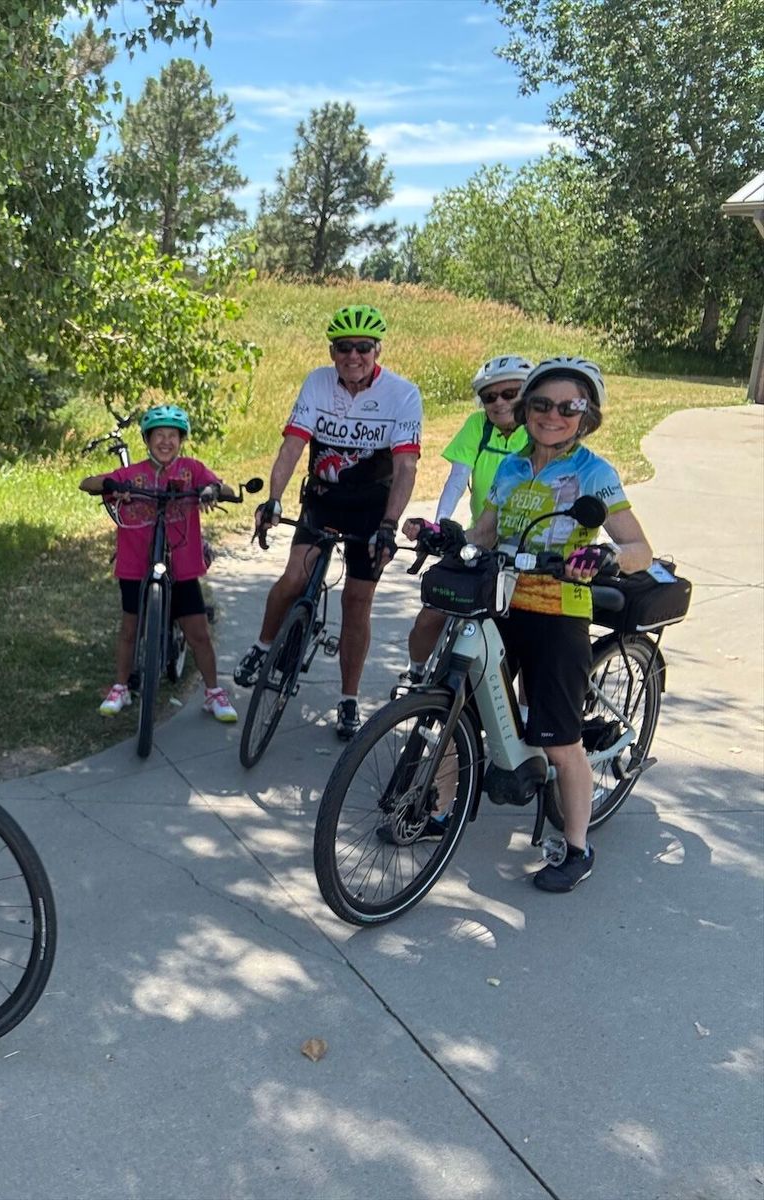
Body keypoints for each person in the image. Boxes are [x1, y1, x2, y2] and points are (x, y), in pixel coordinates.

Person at [406, 356, 652, 889]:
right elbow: (486, 533)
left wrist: (606, 557)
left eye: (569, 407)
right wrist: (446, 536)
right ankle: (438, 813)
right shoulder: (513, 468)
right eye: (541, 404)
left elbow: (639, 547)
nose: (553, 415)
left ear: (586, 416)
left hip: (559, 613)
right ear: (526, 409)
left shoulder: (594, 473)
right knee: (460, 710)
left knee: (560, 741)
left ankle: (577, 849)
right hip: (500, 604)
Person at [233, 304, 422, 739]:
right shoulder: (318, 382)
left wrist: (389, 524)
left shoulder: (402, 394)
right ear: (332, 351)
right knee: (294, 578)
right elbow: (292, 447)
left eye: (362, 347)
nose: (353, 356)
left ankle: (348, 698)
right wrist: (274, 499)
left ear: (377, 350)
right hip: (324, 497)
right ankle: (263, 646)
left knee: (357, 601)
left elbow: (406, 467)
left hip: (372, 507)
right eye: (343, 347)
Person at [78, 404, 239, 723]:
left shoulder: (192, 470)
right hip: (136, 562)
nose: (166, 442)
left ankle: (213, 693)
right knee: (130, 629)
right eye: (159, 436)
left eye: (173, 436)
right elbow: (87, 483)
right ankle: (121, 687)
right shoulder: (132, 474)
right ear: (147, 440)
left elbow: (227, 489)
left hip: (181, 564)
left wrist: (211, 490)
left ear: (181, 440)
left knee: (199, 632)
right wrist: (112, 486)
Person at [400, 354, 531, 686]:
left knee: (520, 640)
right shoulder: (479, 425)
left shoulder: (539, 433)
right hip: (481, 537)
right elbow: (458, 479)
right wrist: (440, 526)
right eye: (489, 396)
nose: (499, 402)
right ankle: (416, 675)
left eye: (510, 393)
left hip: (529, 549)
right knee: (432, 611)